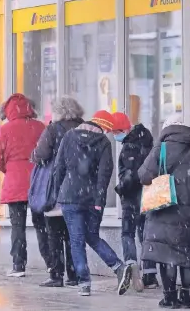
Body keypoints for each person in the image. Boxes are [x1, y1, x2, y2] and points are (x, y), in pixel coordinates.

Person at [138, 114, 190, 308]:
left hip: (165, 208)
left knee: (167, 255)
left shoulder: (161, 148)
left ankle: (170, 297)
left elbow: (144, 175)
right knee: (188, 254)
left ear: (166, 128)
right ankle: (187, 297)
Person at [53, 110, 132, 297]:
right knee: (92, 236)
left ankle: (84, 283)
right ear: (103, 126)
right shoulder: (103, 142)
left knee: (76, 240)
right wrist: (99, 200)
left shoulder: (69, 136)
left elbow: (58, 168)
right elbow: (105, 174)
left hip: (70, 196)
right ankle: (119, 267)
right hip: (91, 199)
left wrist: (59, 193)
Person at [0, 93, 50, 277]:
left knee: (18, 226)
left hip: (15, 183)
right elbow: (48, 153)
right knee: (41, 224)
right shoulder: (40, 127)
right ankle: (51, 263)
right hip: (37, 182)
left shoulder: (5, 130)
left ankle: (18, 265)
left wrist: (10, 170)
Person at [31, 96, 84, 288]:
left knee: (54, 233)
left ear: (59, 111)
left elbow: (41, 154)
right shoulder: (83, 127)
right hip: (79, 188)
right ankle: (75, 274)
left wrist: (34, 155)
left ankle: (56, 274)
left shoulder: (53, 129)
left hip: (56, 188)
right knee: (73, 234)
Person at [112, 112, 159, 292]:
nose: (115, 135)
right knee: (145, 235)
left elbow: (132, 175)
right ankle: (150, 275)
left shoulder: (129, 147)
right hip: (148, 195)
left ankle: (131, 267)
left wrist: (120, 188)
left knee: (127, 233)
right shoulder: (148, 142)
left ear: (124, 129)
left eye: (116, 131)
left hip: (132, 197)